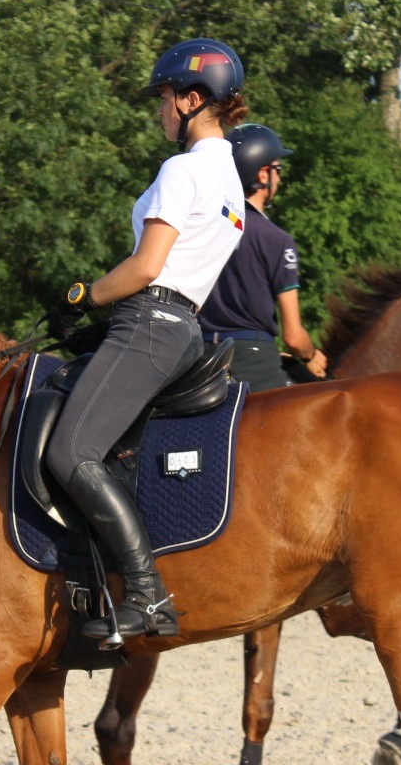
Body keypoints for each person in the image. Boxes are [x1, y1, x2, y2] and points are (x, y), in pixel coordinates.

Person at [45, 38, 249, 640]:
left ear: (191, 99)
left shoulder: (182, 170)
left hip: (150, 324)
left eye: (163, 97)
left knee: (70, 452)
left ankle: (146, 594)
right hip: (183, 329)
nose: (159, 109)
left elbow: (145, 267)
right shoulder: (232, 185)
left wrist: (80, 296)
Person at [198, 124, 327, 387]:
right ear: (263, 174)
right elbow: (293, 337)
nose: (279, 178)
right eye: (277, 169)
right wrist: (311, 355)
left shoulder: (201, 226)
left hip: (198, 357)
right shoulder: (277, 240)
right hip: (253, 361)